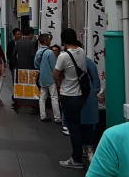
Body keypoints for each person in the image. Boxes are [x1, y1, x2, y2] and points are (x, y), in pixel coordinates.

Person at [53, 28, 87, 168]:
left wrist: (60, 81)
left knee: (73, 128)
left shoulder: (63, 56)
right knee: (77, 125)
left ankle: (76, 159)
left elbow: (56, 74)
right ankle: (80, 153)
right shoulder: (82, 52)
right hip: (80, 95)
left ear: (64, 40)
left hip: (68, 94)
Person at [34, 33, 61, 124]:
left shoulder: (38, 51)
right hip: (51, 78)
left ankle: (43, 115)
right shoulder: (50, 52)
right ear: (45, 41)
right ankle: (57, 117)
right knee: (54, 97)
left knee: (42, 97)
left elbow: (36, 64)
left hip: (42, 77)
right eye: (49, 39)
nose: (50, 41)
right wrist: (57, 79)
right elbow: (54, 66)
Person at [81, 54, 102, 163]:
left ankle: (83, 149)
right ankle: (89, 148)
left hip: (74, 97)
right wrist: (95, 91)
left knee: (78, 124)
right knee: (89, 124)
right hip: (89, 96)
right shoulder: (88, 62)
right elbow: (96, 81)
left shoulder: (65, 59)